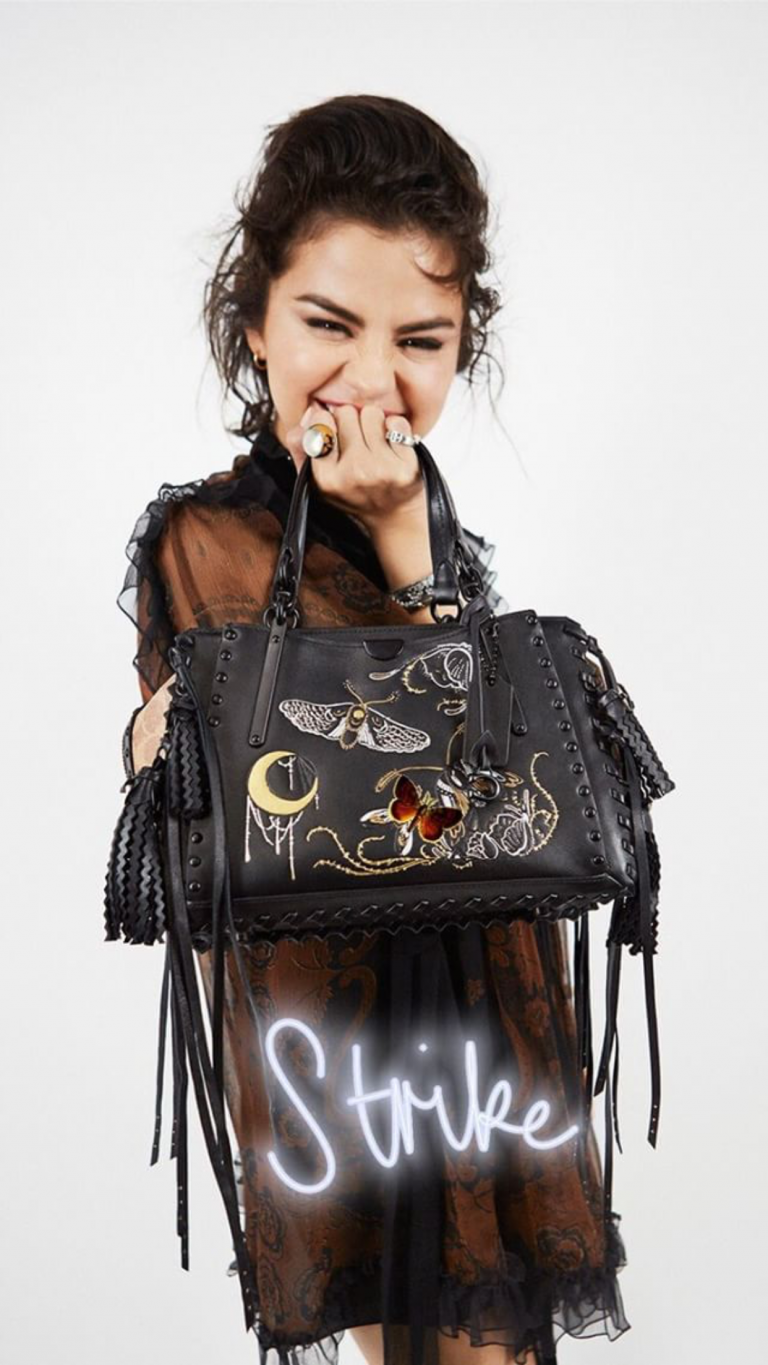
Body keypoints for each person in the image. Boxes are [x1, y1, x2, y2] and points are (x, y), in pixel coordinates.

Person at [117, 94, 630, 1365]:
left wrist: (409, 543)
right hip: (337, 1035)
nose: (370, 378)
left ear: (462, 351)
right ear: (255, 324)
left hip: (483, 1020)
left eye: (421, 340)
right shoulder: (206, 536)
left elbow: (485, 793)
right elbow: (247, 793)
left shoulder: (435, 533)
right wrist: (154, 743)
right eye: (328, 324)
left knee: (492, 1342)